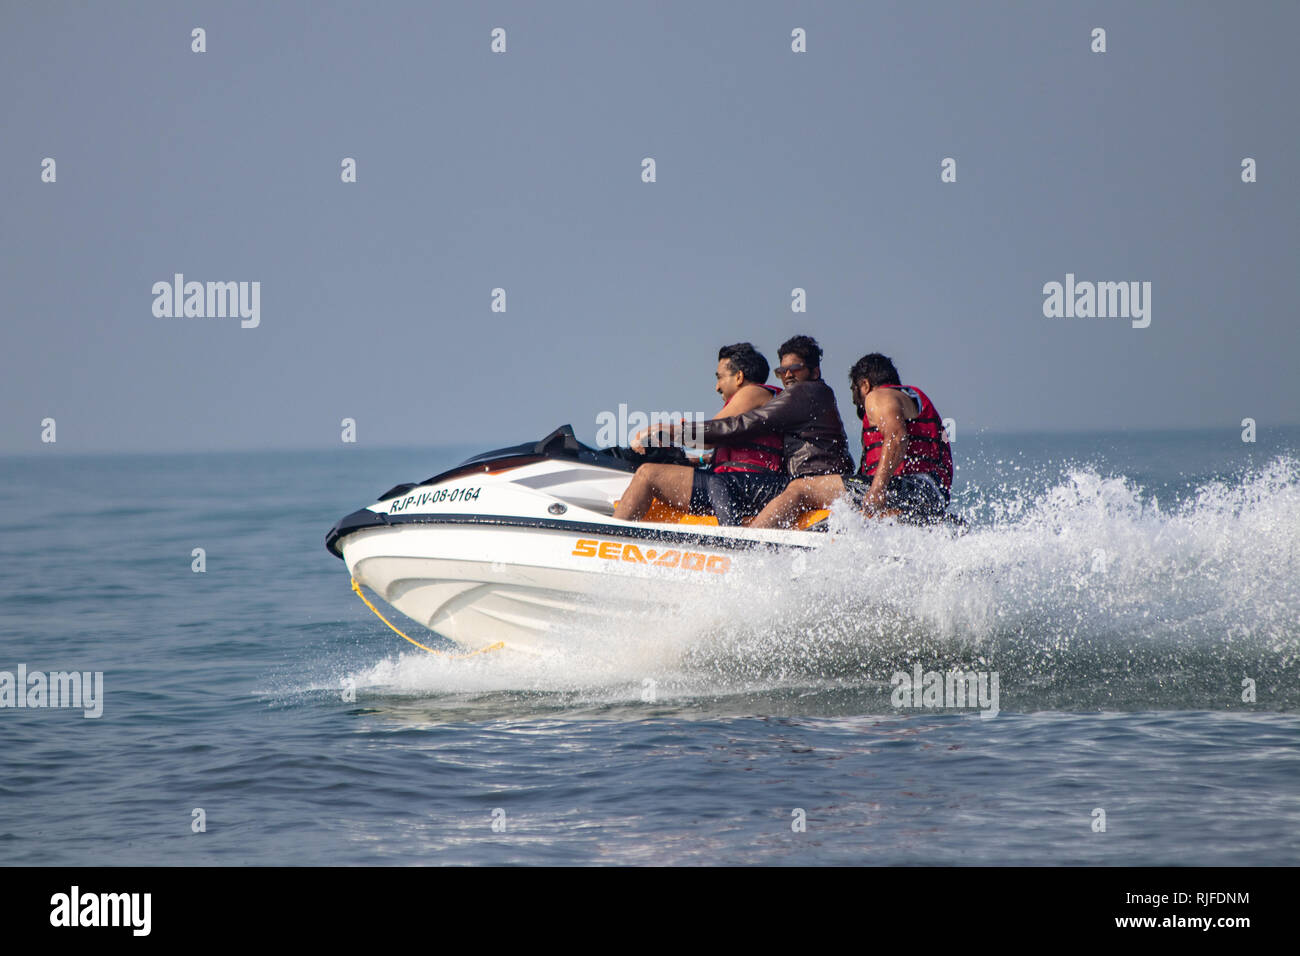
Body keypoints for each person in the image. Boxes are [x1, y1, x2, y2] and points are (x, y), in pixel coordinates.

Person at [647, 335, 855, 525]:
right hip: (802, 479)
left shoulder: (804, 392)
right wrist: (700, 460)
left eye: (796, 368)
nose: (787, 375)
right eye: (782, 371)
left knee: (720, 482)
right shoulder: (807, 396)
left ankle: (736, 544)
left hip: (813, 480)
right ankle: (741, 539)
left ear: (815, 372)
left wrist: (675, 432)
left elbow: (741, 425)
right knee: (723, 482)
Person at [751, 352, 953, 527]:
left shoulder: (878, 396)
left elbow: (897, 436)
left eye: (854, 390)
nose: (855, 400)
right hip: (931, 495)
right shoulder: (912, 399)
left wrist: (877, 490)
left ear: (864, 385)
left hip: (908, 488)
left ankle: (747, 542)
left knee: (800, 489)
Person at [613, 343, 781, 523]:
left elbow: (710, 434)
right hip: (730, 485)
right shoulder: (755, 403)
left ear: (739, 377)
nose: (717, 387)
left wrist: (663, 430)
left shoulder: (753, 392)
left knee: (647, 475)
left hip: (743, 486)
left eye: (720, 377)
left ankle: (609, 540)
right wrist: (698, 459)